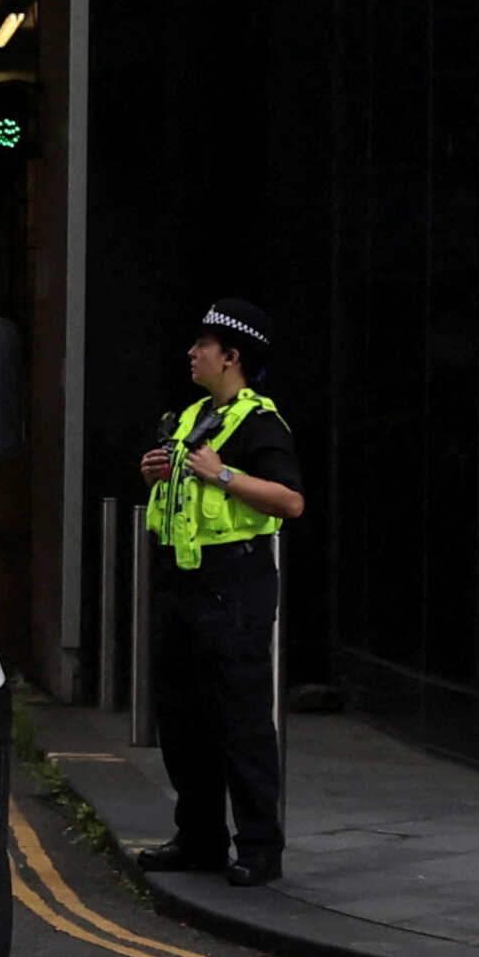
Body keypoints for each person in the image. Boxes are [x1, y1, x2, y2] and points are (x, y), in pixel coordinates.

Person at [135, 299, 307, 887]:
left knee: (240, 721)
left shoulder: (261, 423)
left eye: (202, 345)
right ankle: (199, 838)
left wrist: (223, 474)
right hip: (182, 583)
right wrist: (159, 473)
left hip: (234, 586)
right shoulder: (190, 418)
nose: (192, 353)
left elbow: (290, 501)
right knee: (182, 720)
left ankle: (259, 847)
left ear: (231, 356)